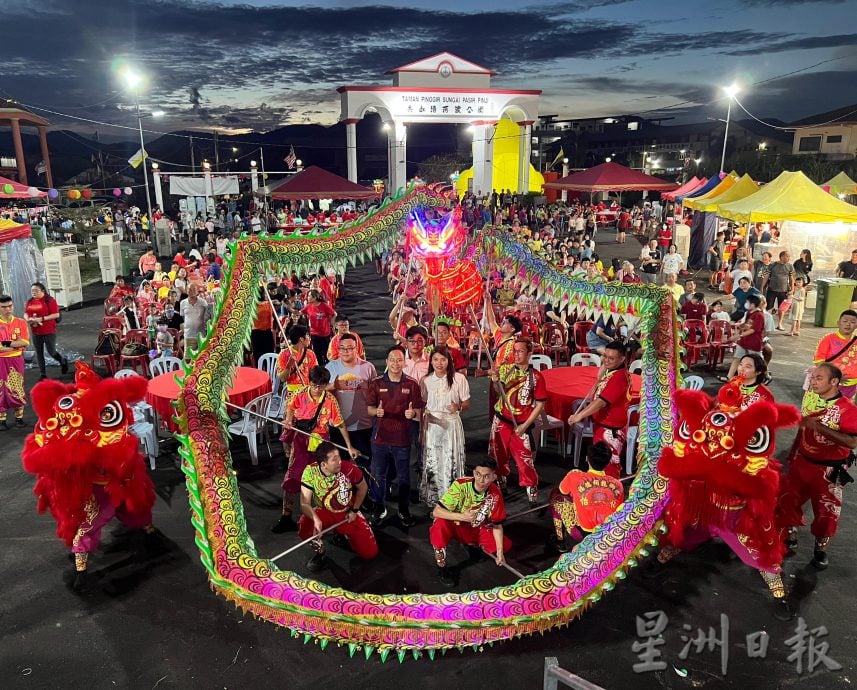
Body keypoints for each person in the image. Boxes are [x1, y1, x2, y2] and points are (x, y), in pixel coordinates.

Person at [777, 363, 857, 570]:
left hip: (828, 471)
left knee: (826, 513)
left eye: (818, 378)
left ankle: (820, 548)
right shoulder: (811, 401)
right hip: (802, 463)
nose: (813, 381)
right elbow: (803, 432)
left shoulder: (847, 409)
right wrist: (792, 457)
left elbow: (852, 442)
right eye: (812, 377)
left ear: (834, 382)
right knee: (787, 500)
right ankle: (790, 534)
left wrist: (819, 426)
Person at [272, 366, 358, 533]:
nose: (317, 389)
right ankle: (286, 516)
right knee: (292, 476)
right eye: (314, 385)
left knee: (325, 480)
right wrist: (289, 420)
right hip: (301, 441)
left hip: (321, 443)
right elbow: (290, 407)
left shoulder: (330, 400)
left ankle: (328, 518)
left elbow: (339, 424)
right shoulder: (300, 394)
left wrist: (349, 446)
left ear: (326, 384)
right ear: (310, 382)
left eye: (321, 385)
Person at [367, 345, 425, 527]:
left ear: (404, 362)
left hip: (402, 439)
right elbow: (369, 409)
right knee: (379, 475)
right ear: (386, 362)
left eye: (399, 360)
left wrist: (413, 415)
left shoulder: (412, 384)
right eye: (392, 359)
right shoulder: (376, 384)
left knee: (404, 477)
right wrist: (376, 411)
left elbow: (418, 410)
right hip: (380, 438)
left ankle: (403, 509)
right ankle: (379, 506)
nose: (395, 363)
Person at [298, 442, 378, 572]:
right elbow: (304, 503)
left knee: (370, 553)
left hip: (346, 511)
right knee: (305, 525)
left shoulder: (349, 468)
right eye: (334, 459)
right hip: (324, 510)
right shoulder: (310, 473)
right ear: (323, 464)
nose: (340, 461)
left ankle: (344, 534)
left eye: (339, 457)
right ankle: (321, 553)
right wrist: (316, 519)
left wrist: (354, 510)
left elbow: (363, 487)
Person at [429, 459, 510, 586]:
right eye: (478, 474)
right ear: (474, 473)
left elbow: (497, 524)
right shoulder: (460, 484)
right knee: (439, 525)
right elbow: (436, 512)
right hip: (455, 524)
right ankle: (442, 567)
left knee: (503, 545)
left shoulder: (495, 493)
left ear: (494, 477)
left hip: (476, 527)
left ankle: (472, 544)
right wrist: (462, 517)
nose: (481, 480)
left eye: (486, 476)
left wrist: (500, 552)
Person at [488, 337, 547, 503]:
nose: (517, 354)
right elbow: (499, 393)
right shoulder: (505, 369)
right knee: (497, 455)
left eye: (520, 351)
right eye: (515, 351)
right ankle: (501, 480)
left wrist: (526, 425)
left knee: (524, 459)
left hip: (521, 424)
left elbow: (540, 404)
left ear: (530, 353)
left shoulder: (536, 377)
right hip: (501, 420)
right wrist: (495, 381)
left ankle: (531, 487)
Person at [567, 341, 632, 478]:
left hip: (610, 430)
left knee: (609, 467)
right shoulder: (611, 371)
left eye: (611, 358)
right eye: (605, 356)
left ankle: (611, 494)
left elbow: (601, 402)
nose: (606, 361)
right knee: (599, 466)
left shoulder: (619, 377)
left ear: (622, 359)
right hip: (603, 425)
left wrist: (580, 416)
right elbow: (597, 389)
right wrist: (601, 373)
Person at [548, 441, 625, 553]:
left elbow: (562, 490)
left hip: (582, 533)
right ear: (608, 463)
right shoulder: (618, 484)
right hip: (608, 534)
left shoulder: (575, 475)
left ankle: (560, 540)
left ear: (587, 459)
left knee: (556, 496)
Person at [420, 347, 471, 506]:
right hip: (433, 426)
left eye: (443, 359)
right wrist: (422, 429)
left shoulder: (459, 378)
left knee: (451, 460)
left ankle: (452, 498)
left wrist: (458, 407)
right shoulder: (426, 380)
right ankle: (435, 500)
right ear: (431, 361)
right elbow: (423, 404)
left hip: (451, 425)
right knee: (434, 460)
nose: (439, 363)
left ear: (449, 361)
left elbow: (467, 403)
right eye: (435, 359)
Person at [325, 333, 377, 468]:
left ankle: (366, 488)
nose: (345, 352)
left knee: (365, 463)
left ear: (357, 348)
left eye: (349, 348)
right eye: (342, 348)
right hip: (338, 424)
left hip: (363, 425)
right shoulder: (330, 367)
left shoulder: (368, 367)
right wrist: (333, 386)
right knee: (340, 465)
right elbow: (319, 390)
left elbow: (374, 393)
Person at [25, 282, 68, 380]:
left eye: (36, 290)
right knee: (39, 353)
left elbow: (56, 315)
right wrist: (28, 318)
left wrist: (42, 319)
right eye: (32, 291)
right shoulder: (30, 301)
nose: (34, 293)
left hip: (49, 331)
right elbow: (26, 313)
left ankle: (62, 361)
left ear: (43, 291)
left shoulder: (49, 300)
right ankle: (43, 374)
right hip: (36, 331)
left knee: (51, 352)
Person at [810, 310, 857, 399]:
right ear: (838, 323)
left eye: (852, 322)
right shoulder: (828, 339)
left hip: (852, 385)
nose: (848, 324)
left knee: (845, 409)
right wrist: (836, 377)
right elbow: (819, 362)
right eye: (845, 321)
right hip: (831, 385)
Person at [721, 295, 765, 382]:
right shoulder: (749, 312)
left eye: (747, 302)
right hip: (743, 341)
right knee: (737, 358)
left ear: (753, 304)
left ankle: (764, 376)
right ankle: (729, 377)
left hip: (753, 342)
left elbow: (753, 330)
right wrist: (739, 329)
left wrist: (739, 336)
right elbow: (747, 325)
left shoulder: (759, 315)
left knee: (758, 362)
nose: (746, 304)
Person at [0, 295, 29, 428]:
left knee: (17, 387)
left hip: (17, 359)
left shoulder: (21, 322)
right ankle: (2, 420)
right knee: (1, 389)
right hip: (1, 361)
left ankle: (19, 418)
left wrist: (5, 344)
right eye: (4, 307)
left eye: (10, 306)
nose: (7, 309)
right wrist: (15, 345)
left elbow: (25, 342)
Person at [277, 324, 317, 395]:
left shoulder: (310, 354)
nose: (310, 338)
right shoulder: (284, 354)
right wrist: (289, 365)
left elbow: (315, 374)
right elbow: (283, 379)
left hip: (308, 390)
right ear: (301, 339)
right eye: (308, 335)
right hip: (292, 392)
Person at [761, 250, 794, 330]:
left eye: (789, 256)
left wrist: (792, 289)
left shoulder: (790, 266)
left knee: (782, 308)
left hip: (784, 290)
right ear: (782, 256)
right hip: (772, 289)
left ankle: (779, 324)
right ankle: (766, 324)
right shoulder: (773, 265)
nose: (788, 258)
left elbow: (791, 278)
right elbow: (766, 277)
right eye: (787, 256)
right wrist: (762, 287)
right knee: (769, 307)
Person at [302, 289, 336, 366]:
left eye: (309, 296)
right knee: (317, 354)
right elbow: (299, 313)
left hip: (325, 334)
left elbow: (334, 314)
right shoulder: (308, 306)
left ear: (314, 297)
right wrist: (287, 306)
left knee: (327, 354)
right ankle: (321, 369)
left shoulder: (324, 305)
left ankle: (329, 370)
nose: (307, 297)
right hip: (314, 334)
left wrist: (332, 323)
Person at [179, 283, 211, 354]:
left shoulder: (203, 302)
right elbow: (183, 317)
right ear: (187, 291)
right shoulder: (182, 303)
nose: (192, 291)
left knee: (202, 358)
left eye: (194, 290)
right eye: (190, 290)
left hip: (201, 335)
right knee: (188, 359)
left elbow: (208, 317)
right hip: (188, 335)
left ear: (197, 291)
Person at [250, 287, 275, 365]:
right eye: (265, 293)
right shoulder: (267, 305)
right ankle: (265, 373)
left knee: (262, 356)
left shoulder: (253, 305)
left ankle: (263, 373)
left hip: (261, 332)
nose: (267, 295)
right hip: (261, 333)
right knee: (263, 356)